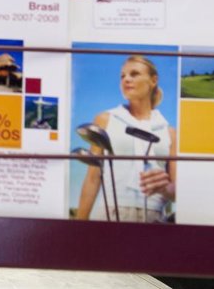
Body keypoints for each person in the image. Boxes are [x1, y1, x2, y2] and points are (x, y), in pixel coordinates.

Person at [75, 55, 176, 223]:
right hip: (110, 214)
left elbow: (176, 192)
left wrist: (165, 188)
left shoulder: (169, 132)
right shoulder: (105, 120)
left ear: (153, 80)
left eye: (134, 74)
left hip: (155, 218)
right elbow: (93, 178)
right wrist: (79, 225)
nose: (126, 79)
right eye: (122, 76)